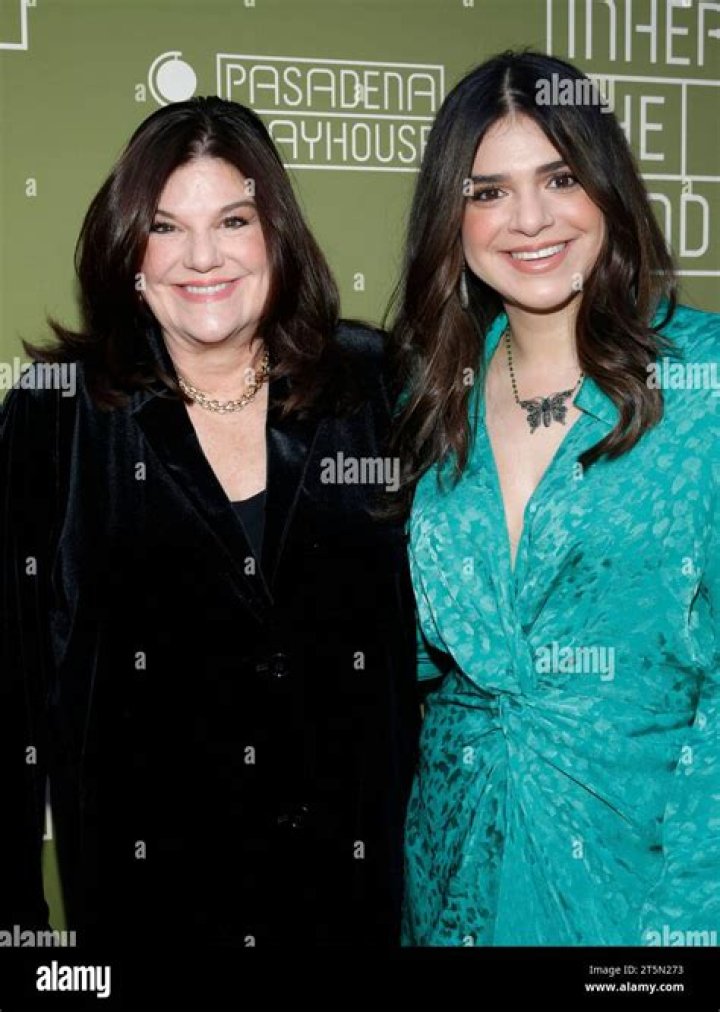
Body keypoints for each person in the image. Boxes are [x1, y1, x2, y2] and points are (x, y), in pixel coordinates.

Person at [1, 97, 420, 951]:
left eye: (233, 220)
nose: (202, 257)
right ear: (129, 252)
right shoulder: (56, 418)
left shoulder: (375, 386)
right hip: (149, 912)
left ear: (276, 235)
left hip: (351, 907)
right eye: (165, 227)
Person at [389, 50, 719, 946]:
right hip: (452, 867)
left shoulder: (705, 382)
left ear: (609, 187)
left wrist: (686, 925)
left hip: (643, 874)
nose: (529, 219)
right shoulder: (431, 394)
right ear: (451, 217)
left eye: (560, 178)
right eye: (488, 191)